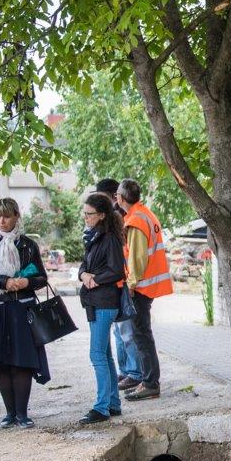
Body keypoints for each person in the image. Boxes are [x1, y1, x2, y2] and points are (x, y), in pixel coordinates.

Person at [0, 197, 50, 428]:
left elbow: (41, 278)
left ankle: (22, 414)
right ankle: (9, 413)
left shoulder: (28, 244)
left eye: (6, 216)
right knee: (2, 361)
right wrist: (4, 282)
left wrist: (25, 281)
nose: (2, 220)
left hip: (23, 307)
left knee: (22, 361)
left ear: (16, 216)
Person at [116, 179, 173, 401]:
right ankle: (147, 381)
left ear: (120, 198)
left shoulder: (136, 220)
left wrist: (131, 284)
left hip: (141, 287)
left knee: (141, 335)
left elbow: (137, 258)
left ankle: (150, 383)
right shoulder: (144, 213)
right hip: (146, 284)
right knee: (142, 335)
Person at [77, 192, 128, 424]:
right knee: (105, 354)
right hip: (96, 301)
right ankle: (112, 403)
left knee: (96, 354)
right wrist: (84, 274)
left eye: (90, 214)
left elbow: (117, 270)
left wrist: (94, 278)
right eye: (85, 213)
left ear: (102, 215)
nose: (85, 217)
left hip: (104, 301)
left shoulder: (109, 238)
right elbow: (84, 266)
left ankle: (101, 407)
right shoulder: (95, 236)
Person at [95, 178, 141, 390]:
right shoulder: (112, 217)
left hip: (125, 282)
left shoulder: (123, 217)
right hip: (118, 282)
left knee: (127, 331)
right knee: (119, 332)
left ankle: (134, 371)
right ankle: (126, 371)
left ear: (113, 196)